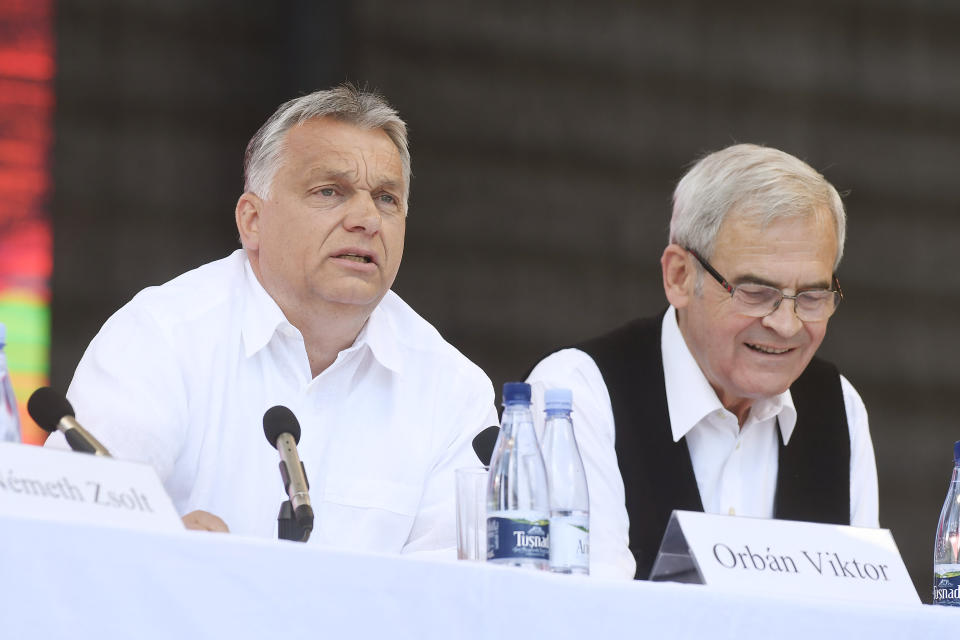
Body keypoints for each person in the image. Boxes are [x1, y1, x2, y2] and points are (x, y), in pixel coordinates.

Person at [46, 84, 497, 555]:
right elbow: (64, 537)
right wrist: (160, 557)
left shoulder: (453, 391)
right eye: (330, 191)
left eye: (387, 199)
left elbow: (455, 597)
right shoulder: (161, 338)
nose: (366, 218)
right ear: (252, 220)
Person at [526, 143, 878, 580]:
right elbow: (587, 613)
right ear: (679, 276)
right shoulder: (577, 395)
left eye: (811, 297)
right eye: (756, 293)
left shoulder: (838, 407)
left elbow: (860, 613)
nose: (786, 325)